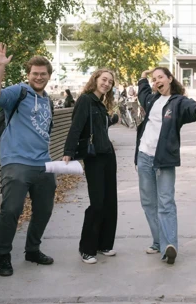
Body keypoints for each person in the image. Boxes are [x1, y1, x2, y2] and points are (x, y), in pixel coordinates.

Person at [0, 45, 57, 276]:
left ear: (49, 75)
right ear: (28, 75)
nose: (39, 77)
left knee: (44, 210)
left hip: (43, 164)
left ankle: (32, 250)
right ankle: (4, 256)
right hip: (16, 162)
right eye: (35, 73)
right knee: (12, 210)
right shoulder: (19, 92)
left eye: (43, 74)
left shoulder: (47, 100)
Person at [135, 67, 196, 264]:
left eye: (160, 77)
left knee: (166, 202)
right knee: (148, 203)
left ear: (170, 79)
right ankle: (157, 241)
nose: (157, 81)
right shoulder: (152, 99)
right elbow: (143, 92)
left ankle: (169, 246)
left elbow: (191, 110)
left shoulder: (178, 101)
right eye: (154, 79)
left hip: (163, 160)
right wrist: (143, 77)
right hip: (144, 156)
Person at [63, 69, 119, 264]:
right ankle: (87, 248)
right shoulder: (86, 100)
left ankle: (104, 244)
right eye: (104, 79)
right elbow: (76, 126)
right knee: (97, 202)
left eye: (110, 82)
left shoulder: (101, 103)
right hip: (94, 157)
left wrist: (111, 120)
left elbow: (98, 128)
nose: (106, 84)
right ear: (95, 79)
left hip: (108, 155)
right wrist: (69, 152)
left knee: (110, 201)